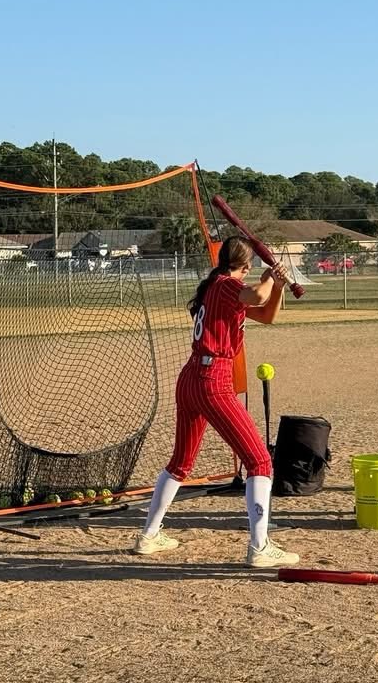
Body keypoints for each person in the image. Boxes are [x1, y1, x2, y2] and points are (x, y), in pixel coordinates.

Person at [133, 236, 299, 568]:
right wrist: (270, 276)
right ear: (245, 265)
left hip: (192, 378)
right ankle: (260, 547)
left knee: (181, 462)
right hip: (212, 379)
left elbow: (267, 314)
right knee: (260, 462)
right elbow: (257, 295)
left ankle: (149, 535)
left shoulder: (217, 286)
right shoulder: (224, 284)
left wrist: (278, 285)